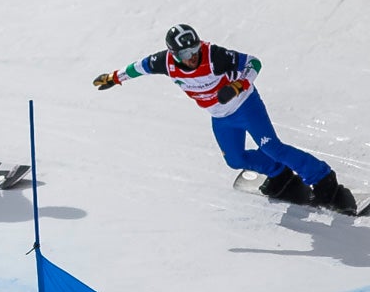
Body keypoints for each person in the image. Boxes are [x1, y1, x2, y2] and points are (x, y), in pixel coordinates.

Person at [92, 24, 353, 210]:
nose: (192, 56)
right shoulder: (165, 63)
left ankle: (323, 179)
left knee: (272, 146)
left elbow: (254, 63)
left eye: (193, 48)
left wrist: (239, 86)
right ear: (173, 53)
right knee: (235, 160)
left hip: (246, 106)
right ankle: (280, 175)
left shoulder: (214, 56)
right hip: (220, 116)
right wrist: (115, 78)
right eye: (184, 54)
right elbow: (138, 67)